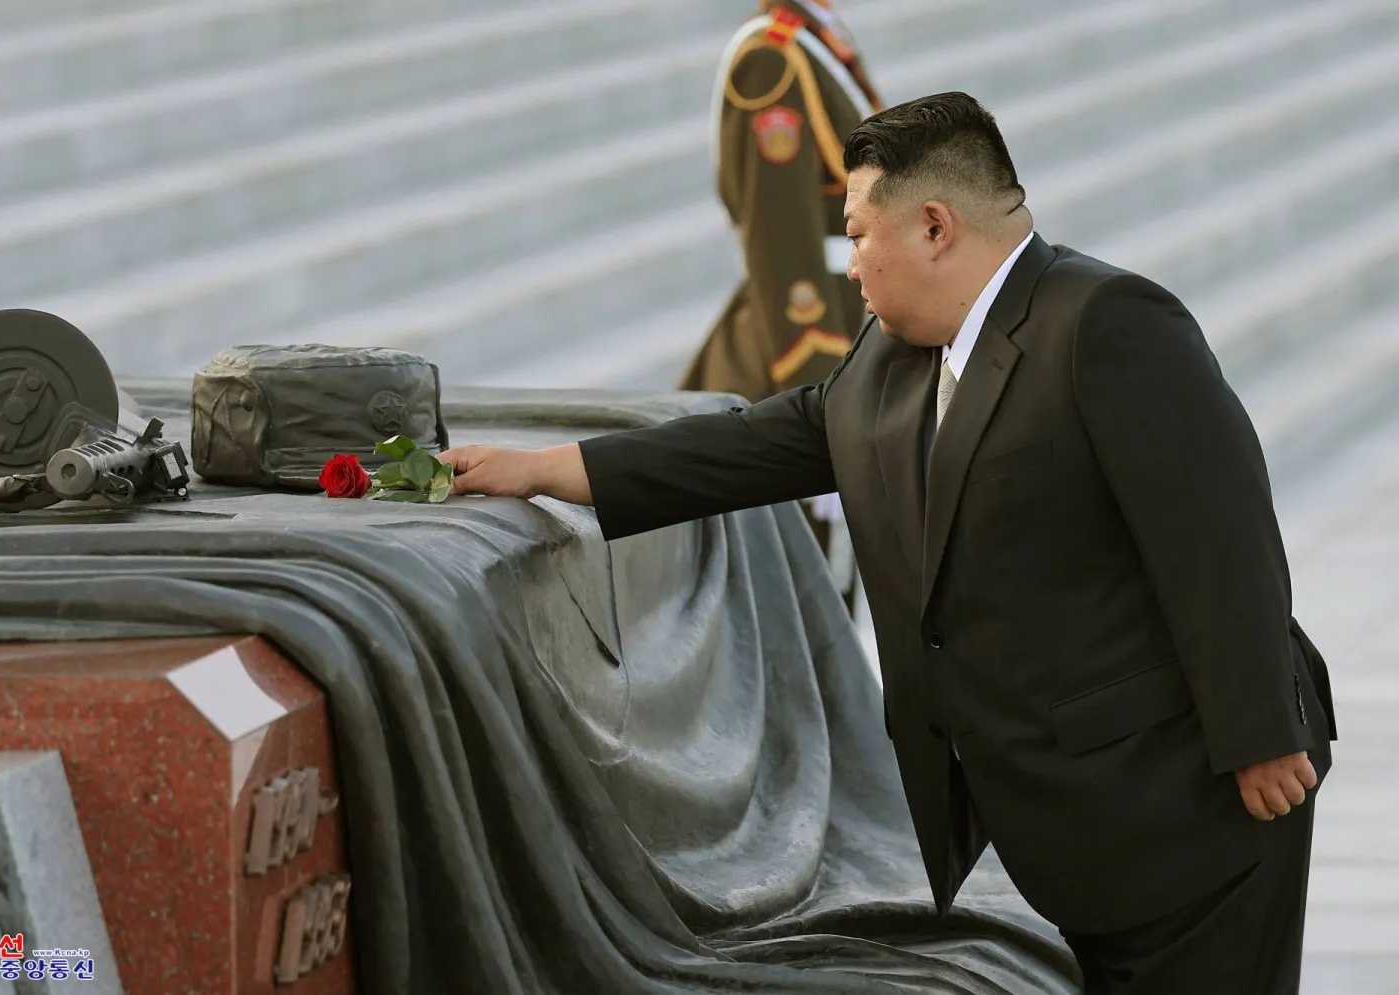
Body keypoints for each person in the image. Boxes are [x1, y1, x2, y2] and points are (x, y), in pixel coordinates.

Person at [438, 91, 1337, 994]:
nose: (852, 264)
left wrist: (1259, 732)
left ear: (935, 226)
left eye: (860, 235)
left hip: (1195, 800)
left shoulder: (1105, 323)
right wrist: (548, 467)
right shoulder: (890, 356)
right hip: (1076, 823)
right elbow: (757, 444)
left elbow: (1219, 533)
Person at [681, 0, 884, 614]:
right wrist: (821, 394)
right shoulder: (770, 60)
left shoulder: (816, 35)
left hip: (852, 319)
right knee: (793, 594)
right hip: (803, 345)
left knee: (830, 585)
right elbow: (781, 245)